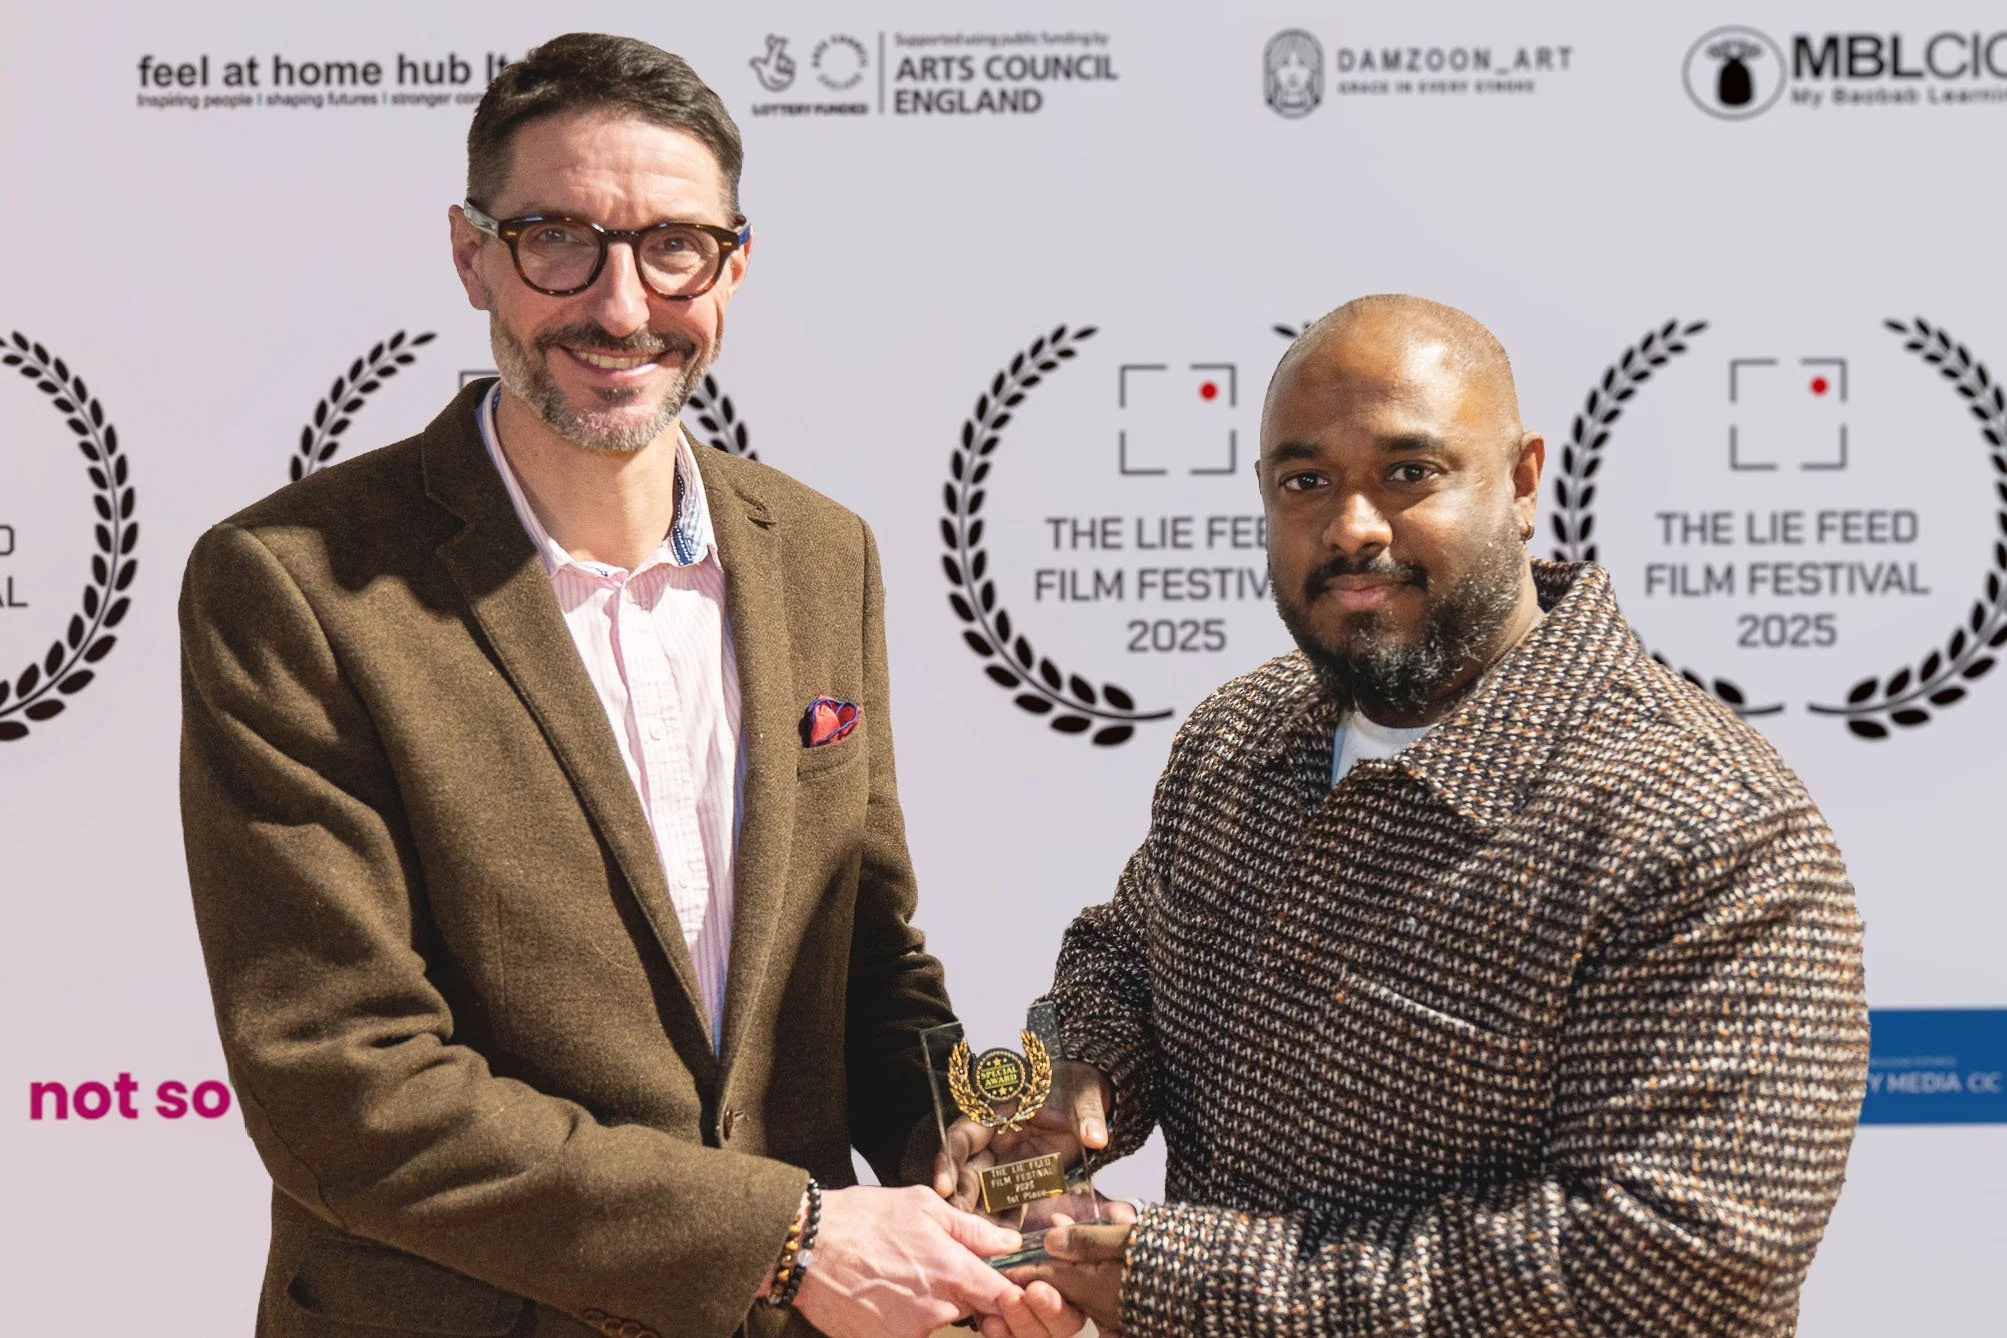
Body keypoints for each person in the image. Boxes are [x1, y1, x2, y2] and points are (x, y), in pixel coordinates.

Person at [178, 32, 1077, 1338]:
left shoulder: (823, 553)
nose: (619, 303)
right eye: (557, 239)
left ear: (734, 265)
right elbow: (341, 1087)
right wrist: (791, 1238)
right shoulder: (297, 582)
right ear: (470, 250)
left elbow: (865, 971)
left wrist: (1014, 1210)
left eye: (674, 247)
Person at [943, 295, 1870, 1336]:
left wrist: (1169, 1278)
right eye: (1307, 482)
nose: (1352, 527)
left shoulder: (1707, 824)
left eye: (1408, 473)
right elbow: (1125, 954)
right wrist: (1082, 1079)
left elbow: (1677, 1270)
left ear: (1523, 481)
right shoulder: (1240, 737)